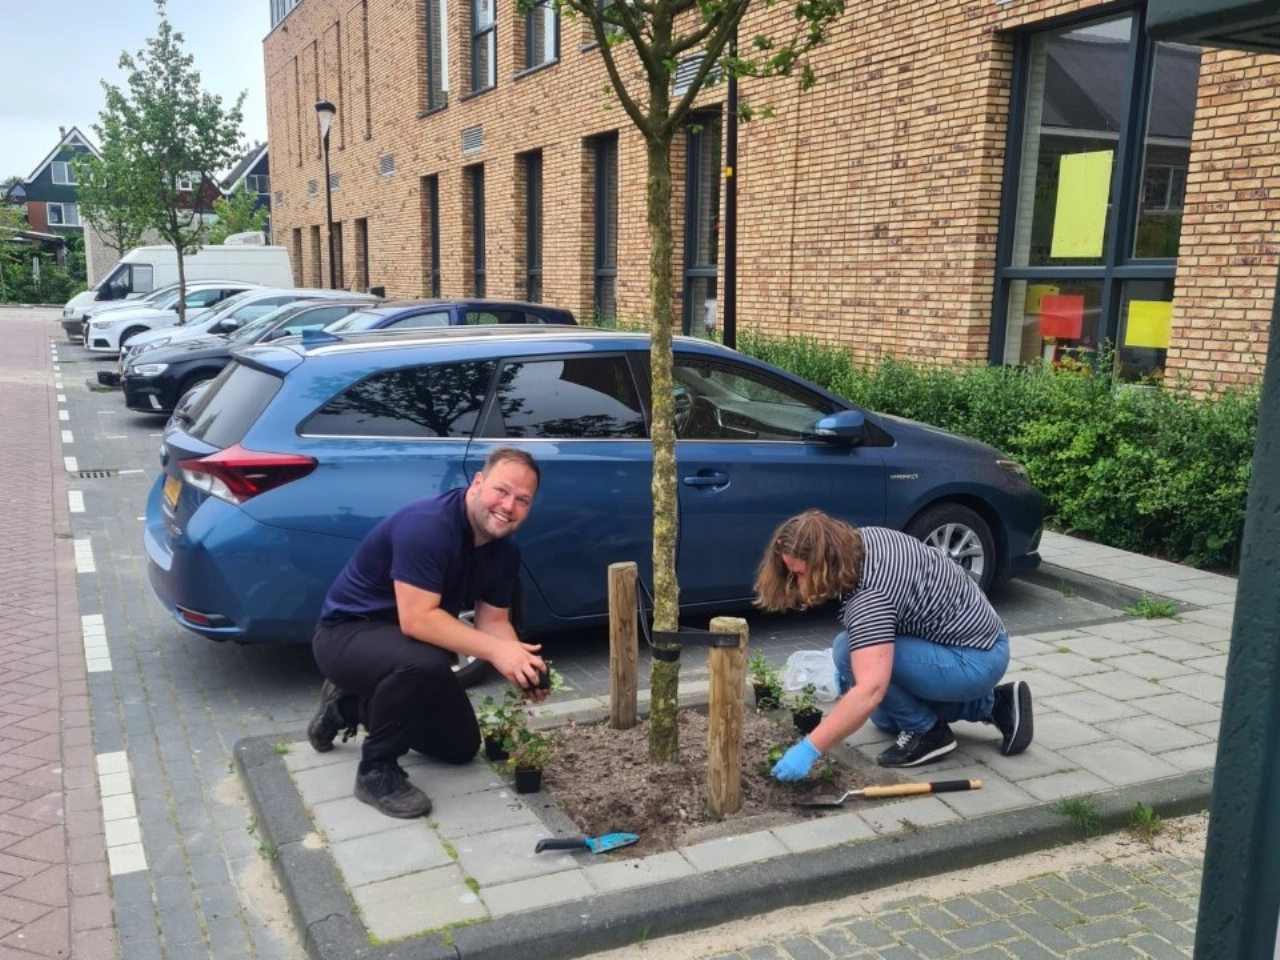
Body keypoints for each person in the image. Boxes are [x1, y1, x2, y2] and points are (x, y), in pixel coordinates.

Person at [306, 447, 549, 818]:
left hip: (403, 650)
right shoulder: (429, 526)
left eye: (523, 500)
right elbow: (417, 620)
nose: (509, 506)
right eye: (502, 491)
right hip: (346, 636)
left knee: (459, 747)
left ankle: (346, 706)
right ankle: (375, 770)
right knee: (427, 661)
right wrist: (498, 653)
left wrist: (521, 662)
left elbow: (493, 621)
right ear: (478, 483)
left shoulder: (504, 550)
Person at [754, 510, 1033, 780]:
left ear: (825, 563)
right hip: (976, 640)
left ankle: (928, 733)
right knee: (886, 721)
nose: (796, 582)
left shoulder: (870, 597)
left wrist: (809, 749)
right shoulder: (860, 542)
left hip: (975, 657)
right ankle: (995, 705)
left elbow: (871, 690)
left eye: (800, 574)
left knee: (849, 655)